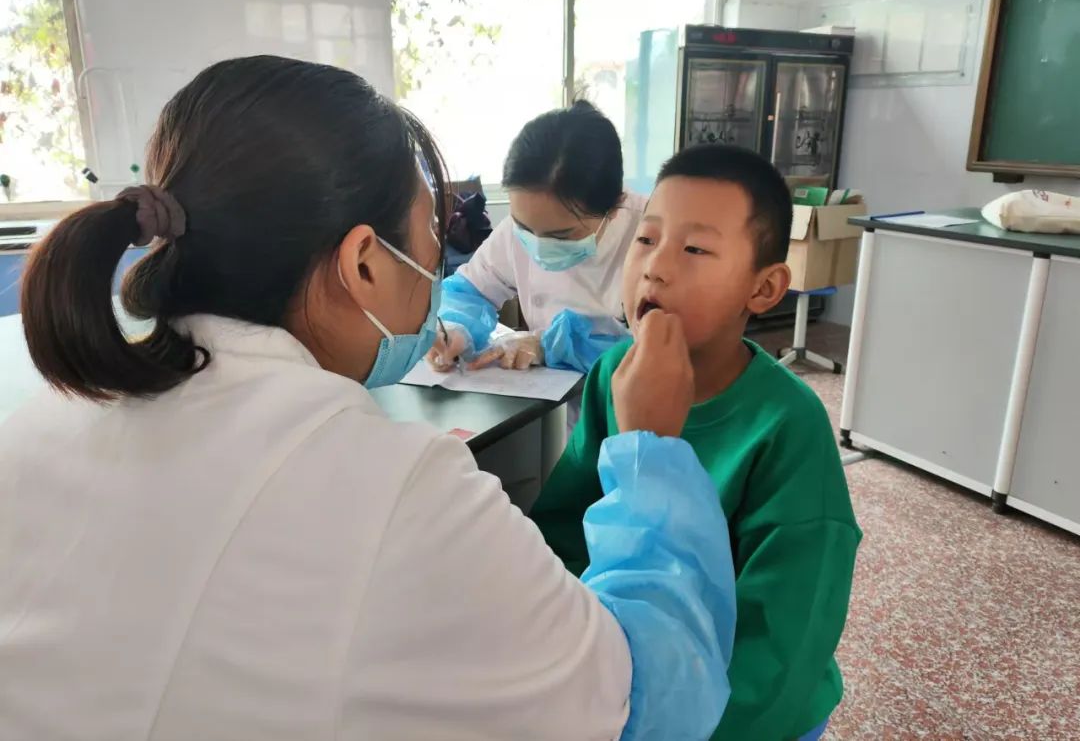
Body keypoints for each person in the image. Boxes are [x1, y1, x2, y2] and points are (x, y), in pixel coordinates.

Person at [0, 57, 737, 741]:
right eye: (427, 243)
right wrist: (651, 456)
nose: (433, 269)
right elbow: (649, 699)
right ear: (362, 261)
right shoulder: (398, 491)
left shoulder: (40, 422)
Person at [529, 144, 862, 741]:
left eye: (695, 249)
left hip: (752, 711)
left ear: (764, 289)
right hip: (642, 675)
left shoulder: (788, 424)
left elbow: (789, 636)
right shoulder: (613, 376)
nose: (655, 268)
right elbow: (567, 530)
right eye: (646, 239)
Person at [427, 101, 645, 375]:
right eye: (525, 229)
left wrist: (549, 345)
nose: (539, 246)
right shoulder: (519, 227)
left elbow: (665, 351)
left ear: (615, 207)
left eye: (561, 235)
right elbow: (469, 291)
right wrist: (455, 328)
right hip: (551, 397)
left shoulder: (655, 236)